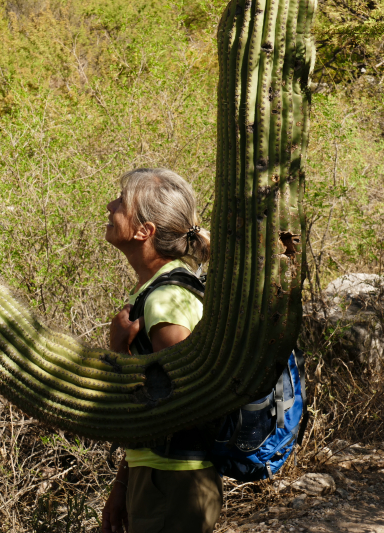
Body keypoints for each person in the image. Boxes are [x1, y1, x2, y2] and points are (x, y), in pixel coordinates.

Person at [100, 168, 221, 533]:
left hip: (173, 481)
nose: (110, 205)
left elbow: (178, 402)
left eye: (121, 201)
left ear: (144, 231)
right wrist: (123, 483)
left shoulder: (167, 298)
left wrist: (119, 352)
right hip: (157, 472)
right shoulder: (159, 289)